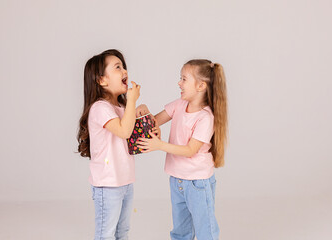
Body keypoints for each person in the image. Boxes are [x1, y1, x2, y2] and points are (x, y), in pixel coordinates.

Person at [137, 59, 228, 240]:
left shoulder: (205, 117)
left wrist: (159, 145)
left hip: (197, 183)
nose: (179, 83)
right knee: (180, 231)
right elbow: (155, 120)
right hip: (177, 180)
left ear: (201, 86)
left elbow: (190, 150)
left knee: (206, 230)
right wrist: (145, 112)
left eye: (184, 79)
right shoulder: (179, 104)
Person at [77, 49, 141, 240]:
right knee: (106, 234)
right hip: (108, 184)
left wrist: (139, 111)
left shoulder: (120, 108)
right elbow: (123, 131)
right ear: (102, 80)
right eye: (117, 67)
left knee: (122, 232)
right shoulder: (99, 108)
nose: (125, 71)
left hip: (125, 181)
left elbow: (131, 132)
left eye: (124, 66)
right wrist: (132, 102)